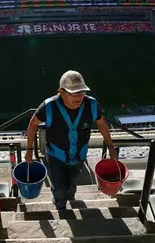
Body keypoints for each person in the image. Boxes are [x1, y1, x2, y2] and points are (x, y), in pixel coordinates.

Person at [25, 70, 117, 211]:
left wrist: (111, 147)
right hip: (56, 156)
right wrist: (29, 151)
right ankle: (60, 205)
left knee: (73, 181)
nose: (79, 97)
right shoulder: (49, 106)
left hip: (79, 155)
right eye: (73, 92)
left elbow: (102, 123)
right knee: (59, 187)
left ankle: (70, 195)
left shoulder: (91, 105)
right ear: (61, 91)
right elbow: (33, 124)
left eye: (81, 92)